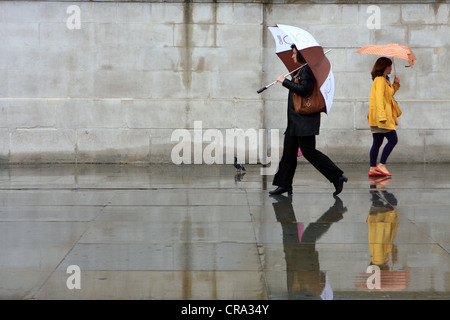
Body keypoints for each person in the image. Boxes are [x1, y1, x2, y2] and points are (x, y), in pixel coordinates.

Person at [269, 44, 347, 197]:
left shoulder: (307, 70)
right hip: (295, 122)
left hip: (304, 122)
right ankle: (284, 185)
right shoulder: (300, 70)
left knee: (309, 152)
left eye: (294, 53)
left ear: (301, 55)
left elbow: (305, 90)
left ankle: (337, 176)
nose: (292, 56)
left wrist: (284, 82)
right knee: (288, 153)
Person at [367, 57, 401, 177]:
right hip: (382, 117)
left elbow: (388, 95)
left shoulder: (382, 80)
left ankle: (372, 168)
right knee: (393, 140)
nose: (391, 68)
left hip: (376, 117)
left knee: (377, 142)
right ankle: (381, 165)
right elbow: (379, 99)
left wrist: (395, 85)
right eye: (389, 66)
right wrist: (382, 115)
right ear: (384, 66)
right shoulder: (380, 80)